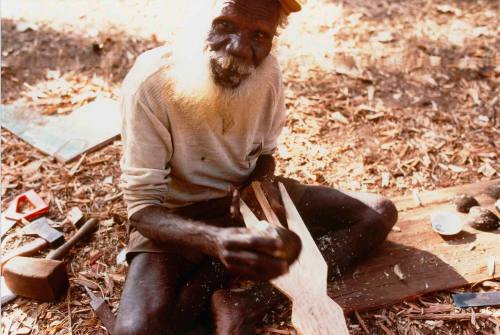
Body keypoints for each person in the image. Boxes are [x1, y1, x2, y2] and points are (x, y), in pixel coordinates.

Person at [115, 0, 398, 334]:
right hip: (175, 216)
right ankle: (216, 272)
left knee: (376, 213)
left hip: (243, 203)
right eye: (225, 26)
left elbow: (265, 155)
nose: (238, 49)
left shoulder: (268, 74)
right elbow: (143, 210)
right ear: (199, 19)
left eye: (259, 36)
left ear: (272, 40)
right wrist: (215, 239)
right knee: (137, 331)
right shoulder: (151, 83)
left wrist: (261, 186)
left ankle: (248, 302)